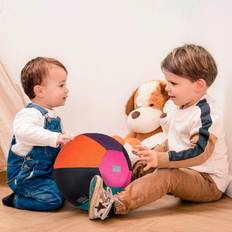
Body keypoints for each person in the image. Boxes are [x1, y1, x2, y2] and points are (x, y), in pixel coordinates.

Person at [88, 44, 230, 220]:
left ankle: (112, 205)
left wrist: (162, 159)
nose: (167, 88)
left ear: (199, 85)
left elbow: (200, 152)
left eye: (174, 83)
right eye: (167, 80)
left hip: (208, 181)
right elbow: (174, 140)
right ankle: (109, 184)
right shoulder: (182, 105)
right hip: (186, 171)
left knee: (166, 173)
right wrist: (154, 153)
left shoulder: (207, 113)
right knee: (141, 166)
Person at [2, 57, 73, 211]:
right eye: (61, 85)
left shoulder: (54, 118)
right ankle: (17, 200)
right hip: (25, 177)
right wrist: (56, 137)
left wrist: (70, 143)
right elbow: (23, 132)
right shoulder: (29, 113)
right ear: (39, 91)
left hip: (46, 173)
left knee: (69, 188)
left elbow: (61, 141)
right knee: (53, 200)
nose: (67, 89)